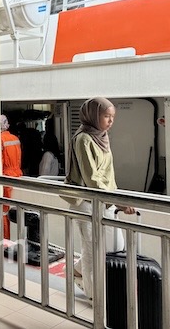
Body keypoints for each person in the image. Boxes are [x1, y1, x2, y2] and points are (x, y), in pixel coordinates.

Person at [65, 97, 136, 300]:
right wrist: (116, 201)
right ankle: (95, 297)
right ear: (94, 116)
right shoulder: (83, 139)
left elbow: (109, 174)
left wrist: (116, 199)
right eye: (106, 116)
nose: (110, 120)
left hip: (106, 200)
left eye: (113, 116)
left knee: (116, 245)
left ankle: (77, 270)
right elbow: (91, 178)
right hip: (87, 203)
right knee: (93, 251)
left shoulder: (102, 136)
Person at [0, 114, 22, 239]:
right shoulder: (15, 138)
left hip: (5, 178)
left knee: (4, 211)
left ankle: (5, 239)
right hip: (17, 175)